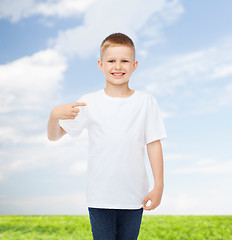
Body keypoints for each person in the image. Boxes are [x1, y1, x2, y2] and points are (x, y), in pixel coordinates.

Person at [47, 32, 167, 240]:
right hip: (100, 196)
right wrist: (53, 116)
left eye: (124, 61)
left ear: (135, 65)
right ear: (101, 65)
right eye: (111, 61)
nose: (117, 66)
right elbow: (54, 136)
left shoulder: (146, 102)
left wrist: (159, 185)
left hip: (134, 195)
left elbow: (153, 144)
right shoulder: (88, 102)